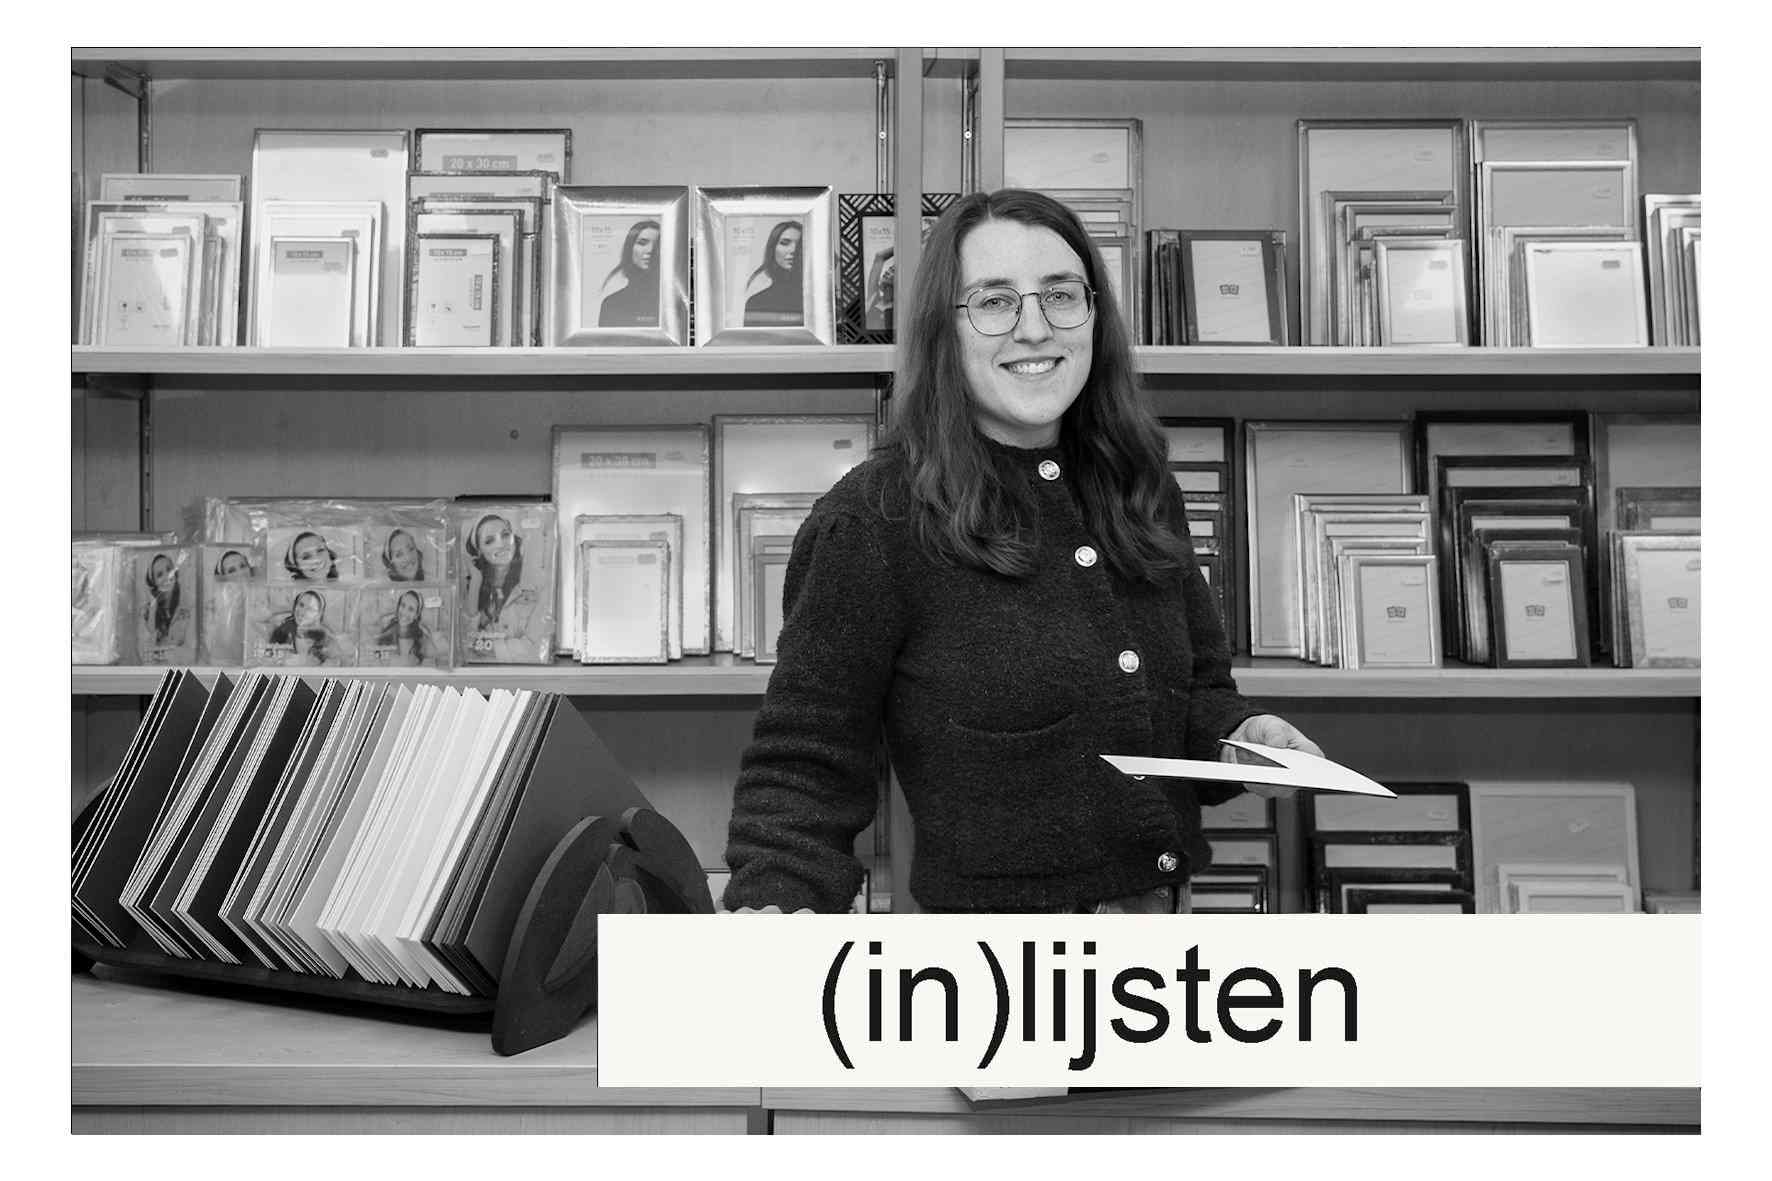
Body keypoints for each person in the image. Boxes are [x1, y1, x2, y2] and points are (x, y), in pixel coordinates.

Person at [720, 188, 1322, 916]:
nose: (1034, 329)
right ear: (945, 330)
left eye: (1060, 295)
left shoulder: (1138, 484)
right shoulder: (873, 520)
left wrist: (1240, 738)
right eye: (995, 302)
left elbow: (1193, 694)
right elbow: (806, 760)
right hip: (991, 957)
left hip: (1165, 927)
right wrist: (774, 907)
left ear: (1094, 316)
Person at [464, 512, 541, 659]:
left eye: (505, 535)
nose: (501, 544)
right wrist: (475, 581)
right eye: (489, 541)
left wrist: (490, 649)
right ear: (479, 552)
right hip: (483, 670)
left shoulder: (532, 583)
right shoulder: (474, 588)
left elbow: (535, 646)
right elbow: (466, 642)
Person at [597, 219, 661, 328]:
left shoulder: (671, 301)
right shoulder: (611, 304)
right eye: (642, 243)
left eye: (658, 245)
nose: (650, 250)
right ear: (630, 248)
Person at [742, 220, 804, 327]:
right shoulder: (756, 302)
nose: (793, 250)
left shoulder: (816, 298)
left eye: (800, 245)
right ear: (773, 248)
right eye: (785, 243)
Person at [268, 588, 344, 664]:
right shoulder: (283, 630)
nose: (302, 612)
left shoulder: (326, 638)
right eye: (301, 605)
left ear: (318, 615)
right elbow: (268, 657)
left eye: (310, 609)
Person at [139, 552, 191, 655]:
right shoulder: (146, 611)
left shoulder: (184, 610)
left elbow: (182, 643)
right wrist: (153, 608)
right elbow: (150, 635)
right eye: (159, 575)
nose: (167, 576)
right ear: (154, 583)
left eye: (169, 570)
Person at [372, 589, 432, 666]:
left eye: (411, 609)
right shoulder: (387, 632)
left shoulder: (420, 641)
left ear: (416, 615)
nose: (405, 612)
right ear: (398, 606)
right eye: (403, 605)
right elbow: (376, 660)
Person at [864, 246, 895, 331]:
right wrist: (905, 244)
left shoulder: (900, 307)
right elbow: (880, 256)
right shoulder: (874, 297)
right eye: (889, 269)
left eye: (893, 270)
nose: (887, 271)